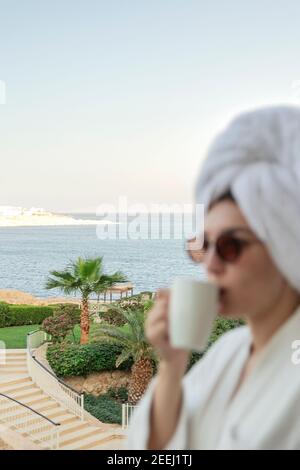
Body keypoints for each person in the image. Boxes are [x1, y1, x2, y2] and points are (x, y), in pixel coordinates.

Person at [126, 105, 300, 450]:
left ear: (285, 248)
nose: (211, 264)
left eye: (231, 246)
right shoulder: (228, 352)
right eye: (203, 245)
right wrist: (172, 364)